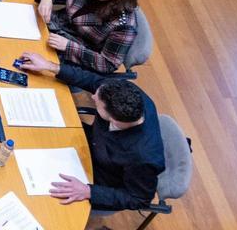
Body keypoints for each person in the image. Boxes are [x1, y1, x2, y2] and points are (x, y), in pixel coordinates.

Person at [15, 55, 164, 213]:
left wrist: (89, 191)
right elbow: (93, 81)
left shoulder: (144, 158)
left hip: (99, 178)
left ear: (114, 120)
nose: (92, 96)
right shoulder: (123, 91)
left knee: (35, 200)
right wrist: (50, 66)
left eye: (96, 103)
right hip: (90, 142)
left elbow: (138, 199)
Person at [30, 0, 139, 74]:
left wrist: (68, 46)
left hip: (73, 54)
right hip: (52, 25)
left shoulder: (124, 26)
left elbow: (107, 64)